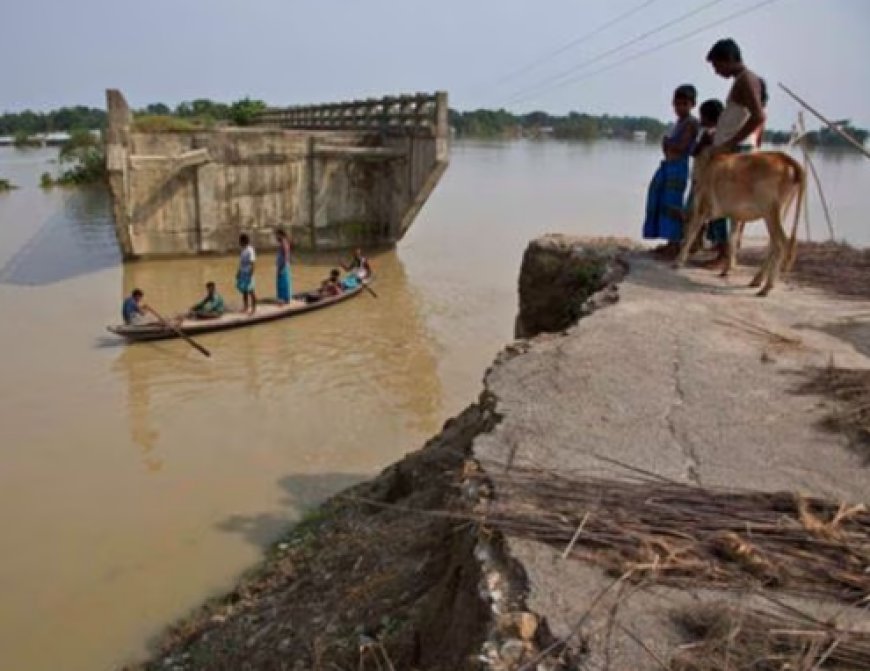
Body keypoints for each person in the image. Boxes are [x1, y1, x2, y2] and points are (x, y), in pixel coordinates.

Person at [704, 38, 766, 268]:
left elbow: (759, 117)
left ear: (729, 59)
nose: (717, 71)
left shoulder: (747, 80)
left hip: (737, 151)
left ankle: (725, 256)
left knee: (727, 203)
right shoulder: (743, 80)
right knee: (727, 202)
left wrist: (730, 143)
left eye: (717, 66)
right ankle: (724, 254)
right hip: (734, 149)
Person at [642, 84, 699, 258]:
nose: (679, 108)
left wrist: (667, 143)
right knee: (659, 200)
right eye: (677, 104)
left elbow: (681, 147)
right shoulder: (679, 123)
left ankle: (675, 243)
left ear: (692, 104)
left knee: (672, 205)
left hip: (678, 168)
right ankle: (669, 241)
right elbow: (669, 146)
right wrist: (668, 144)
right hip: (668, 166)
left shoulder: (690, 123)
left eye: (684, 104)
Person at [236, 233, 257, 315]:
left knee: (251, 291)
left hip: (248, 273)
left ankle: (254, 309)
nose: (239, 243)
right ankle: (245, 307)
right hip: (243, 273)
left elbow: (252, 263)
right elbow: (241, 263)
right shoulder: (243, 250)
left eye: (240, 241)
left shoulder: (250, 250)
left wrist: (251, 274)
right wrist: (238, 272)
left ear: (244, 241)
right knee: (244, 291)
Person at [274, 228, 293, 303]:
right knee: (281, 282)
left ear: (280, 235)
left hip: (283, 266)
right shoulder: (282, 242)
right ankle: (283, 298)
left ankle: (286, 299)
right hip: (281, 265)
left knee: (284, 282)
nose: (276, 237)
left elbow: (286, 255)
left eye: (277, 235)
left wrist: (282, 268)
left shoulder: (284, 242)